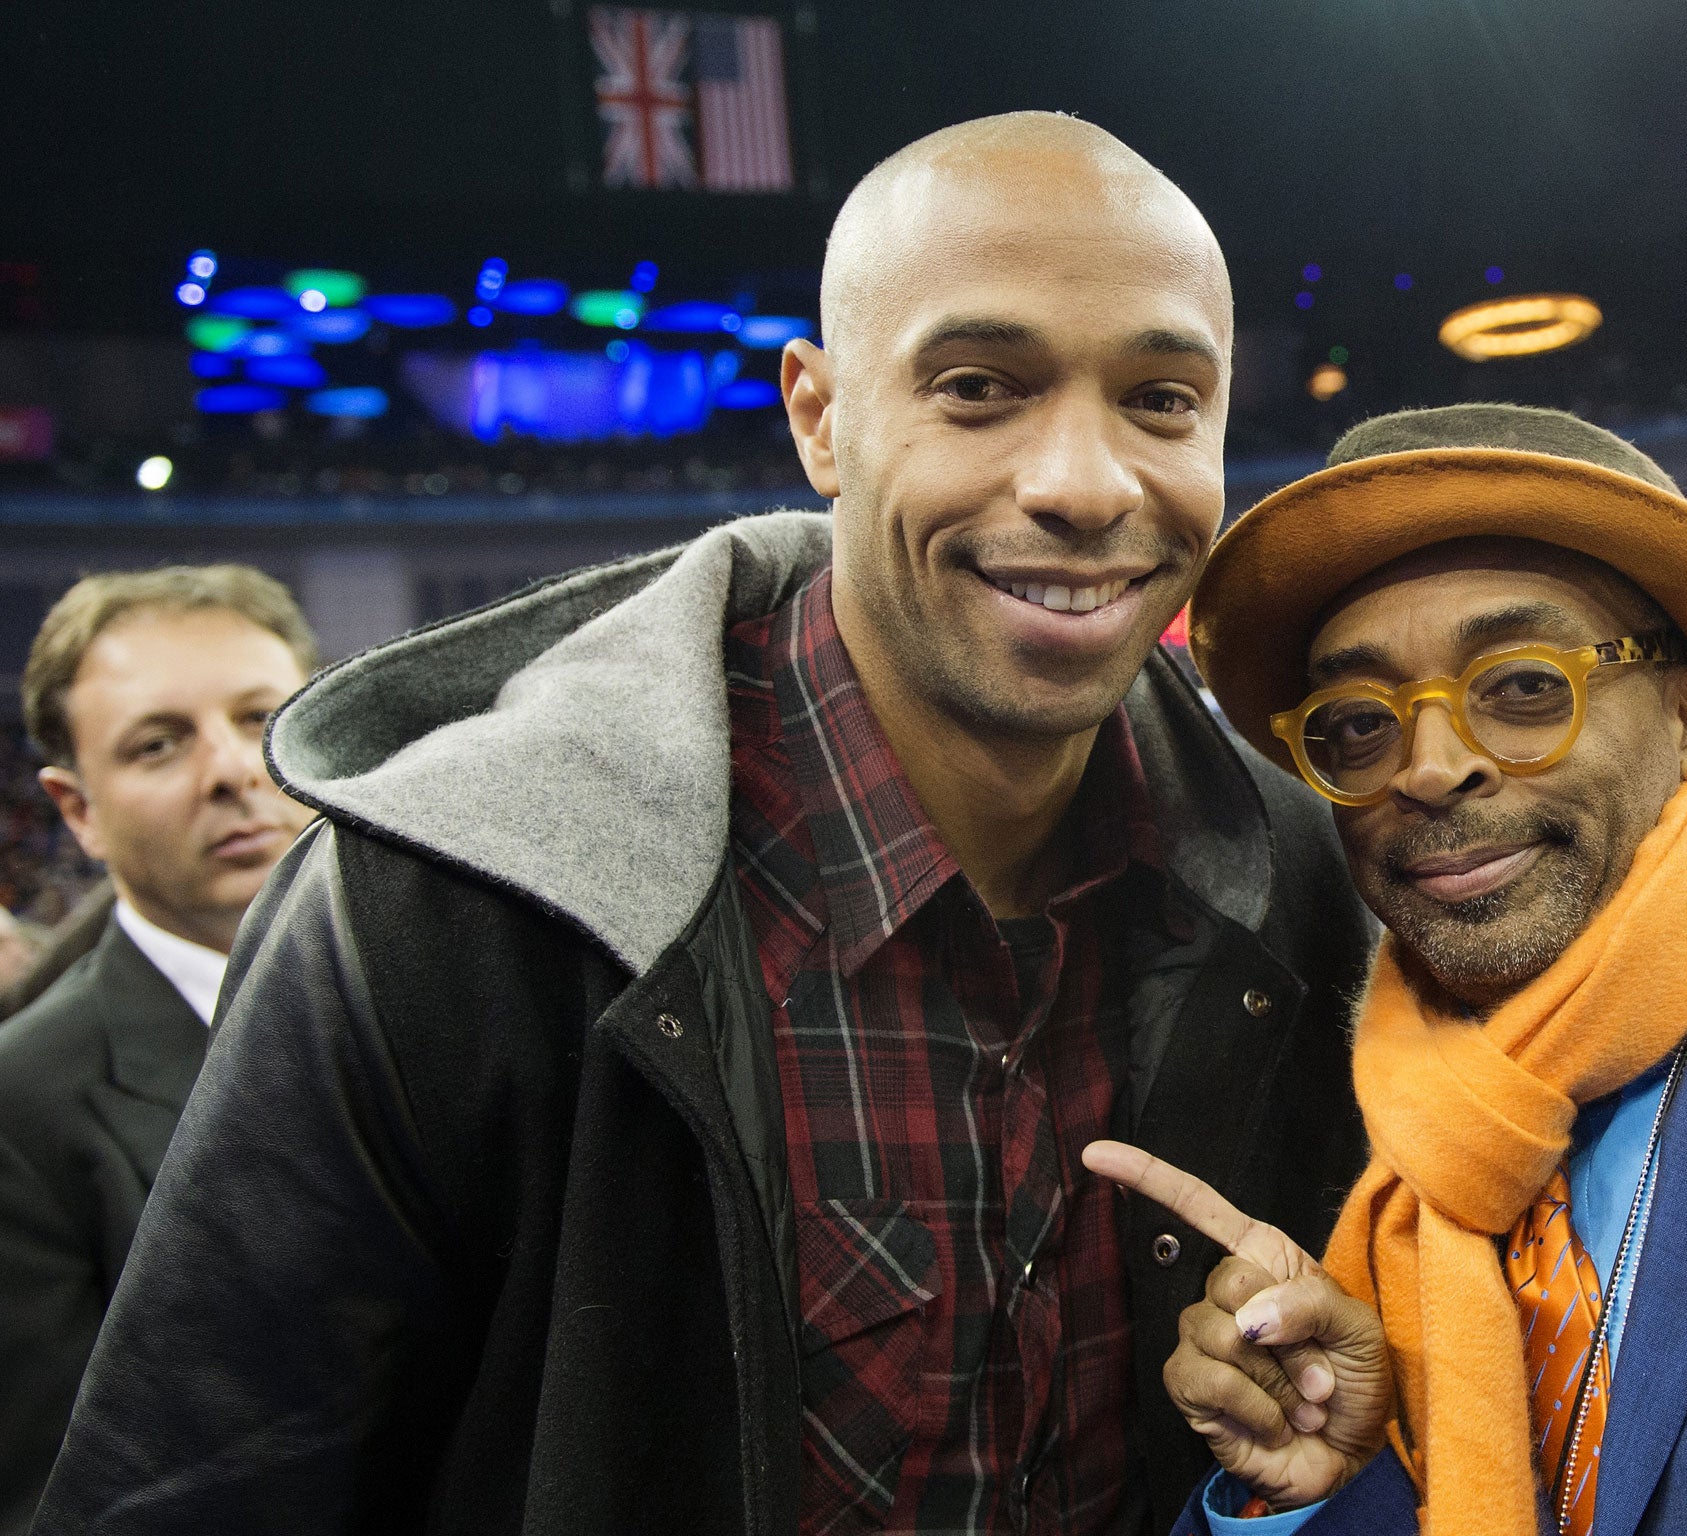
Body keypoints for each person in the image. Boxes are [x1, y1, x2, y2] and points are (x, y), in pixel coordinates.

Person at [32, 114, 1375, 1536]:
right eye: (980, 387)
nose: (1085, 483)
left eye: (1163, 400)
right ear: (818, 418)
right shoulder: (442, 911)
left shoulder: (1284, 877)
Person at [1089, 404, 1687, 1535]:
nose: (1431, 767)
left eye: (1524, 687)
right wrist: (1316, 1490)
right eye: (1355, 723)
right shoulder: (1335, 1146)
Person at [0, 566, 319, 1533]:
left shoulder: (483, 1006)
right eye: (157, 744)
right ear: (77, 811)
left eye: (261, 716)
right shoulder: (23, 1105)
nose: (230, 770)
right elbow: (54, 1500)